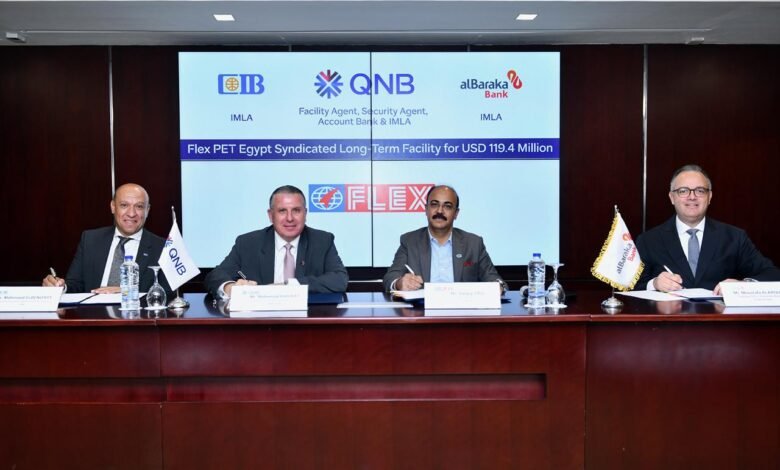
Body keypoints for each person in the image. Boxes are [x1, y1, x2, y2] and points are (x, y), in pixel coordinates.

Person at [636, 164, 780, 294]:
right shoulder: (648, 241)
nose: (692, 197)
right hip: (669, 315)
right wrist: (654, 284)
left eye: (700, 190)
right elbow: (631, 286)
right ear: (672, 197)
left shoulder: (734, 237)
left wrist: (743, 285)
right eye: (683, 191)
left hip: (719, 315)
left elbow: (772, 274)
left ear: (709, 197)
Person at [205, 185, 348, 297]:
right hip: (259, 321)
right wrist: (230, 287)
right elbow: (215, 276)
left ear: (305, 214)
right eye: (282, 211)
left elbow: (339, 280)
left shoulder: (322, 241)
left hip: (307, 320)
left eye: (296, 210)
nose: (290, 218)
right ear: (270, 215)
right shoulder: (248, 243)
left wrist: (289, 286)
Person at [42, 183, 170, 293]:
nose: (131, 213)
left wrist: (127, 292)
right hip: (93, 313)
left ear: (147, 210)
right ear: (113, 207)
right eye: (124, 205)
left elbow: (168, 294)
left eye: (139, 206)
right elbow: (75, 284)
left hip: (136, 313)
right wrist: (60, 287)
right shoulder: (90, 240)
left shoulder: (163, 248)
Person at [383, 185, 505, 292]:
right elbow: (390, 278)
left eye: (447, 206)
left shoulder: (473, 243)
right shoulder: (410, 241)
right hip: (421, 309)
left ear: (456, 213)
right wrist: (399, 283)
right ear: (426, 209)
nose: (440, 211)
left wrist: (498, 286)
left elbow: (495, 279)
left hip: (462, 309)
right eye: (434, 204)